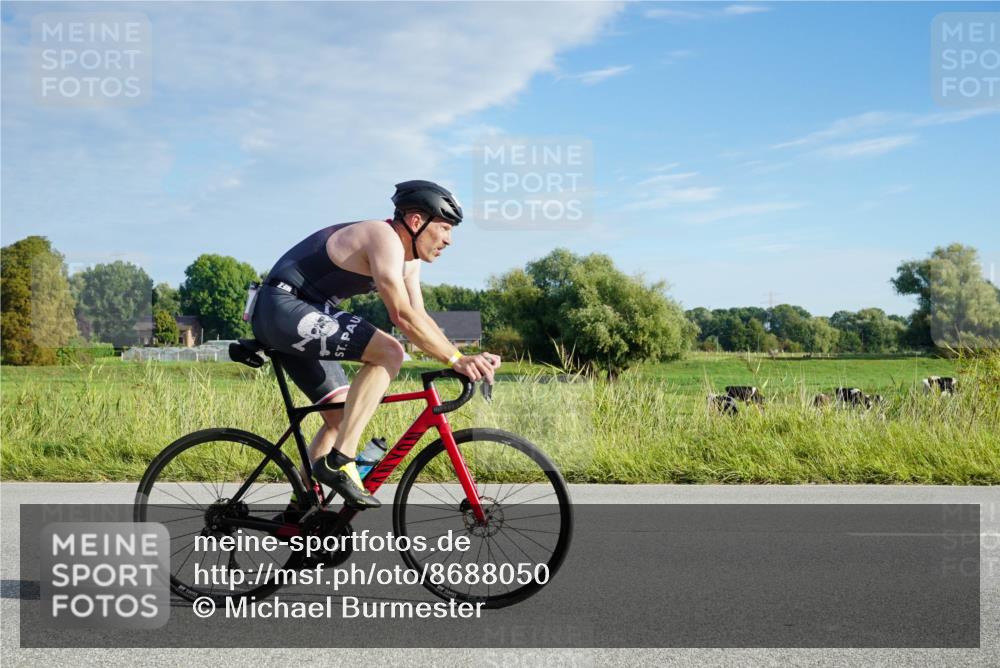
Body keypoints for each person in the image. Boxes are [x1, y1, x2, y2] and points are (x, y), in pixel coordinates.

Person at [251, 180, 501, 510]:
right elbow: (400, 315)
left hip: (306, 314)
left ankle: (303, 508)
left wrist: (462, 355)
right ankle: (341, 461)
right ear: (416, 221)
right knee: (390, 351)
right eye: (444, 228)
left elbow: (419, 316)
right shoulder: (384, 239)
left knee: (341, 418)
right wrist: (456, 360)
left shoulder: (409, 262)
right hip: (282, 306)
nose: (448, 240)